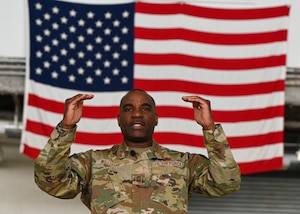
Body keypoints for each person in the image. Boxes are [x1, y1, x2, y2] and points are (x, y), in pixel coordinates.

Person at [34, 89, 241, 214]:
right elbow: (53, 183)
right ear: (119, 120)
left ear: (156, 118)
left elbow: (225, 184)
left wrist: (210, 129)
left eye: (145, 108)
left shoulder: (184, 163)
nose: (136, 114)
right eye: (128, 109)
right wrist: (66, 128)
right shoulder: (93, 162)